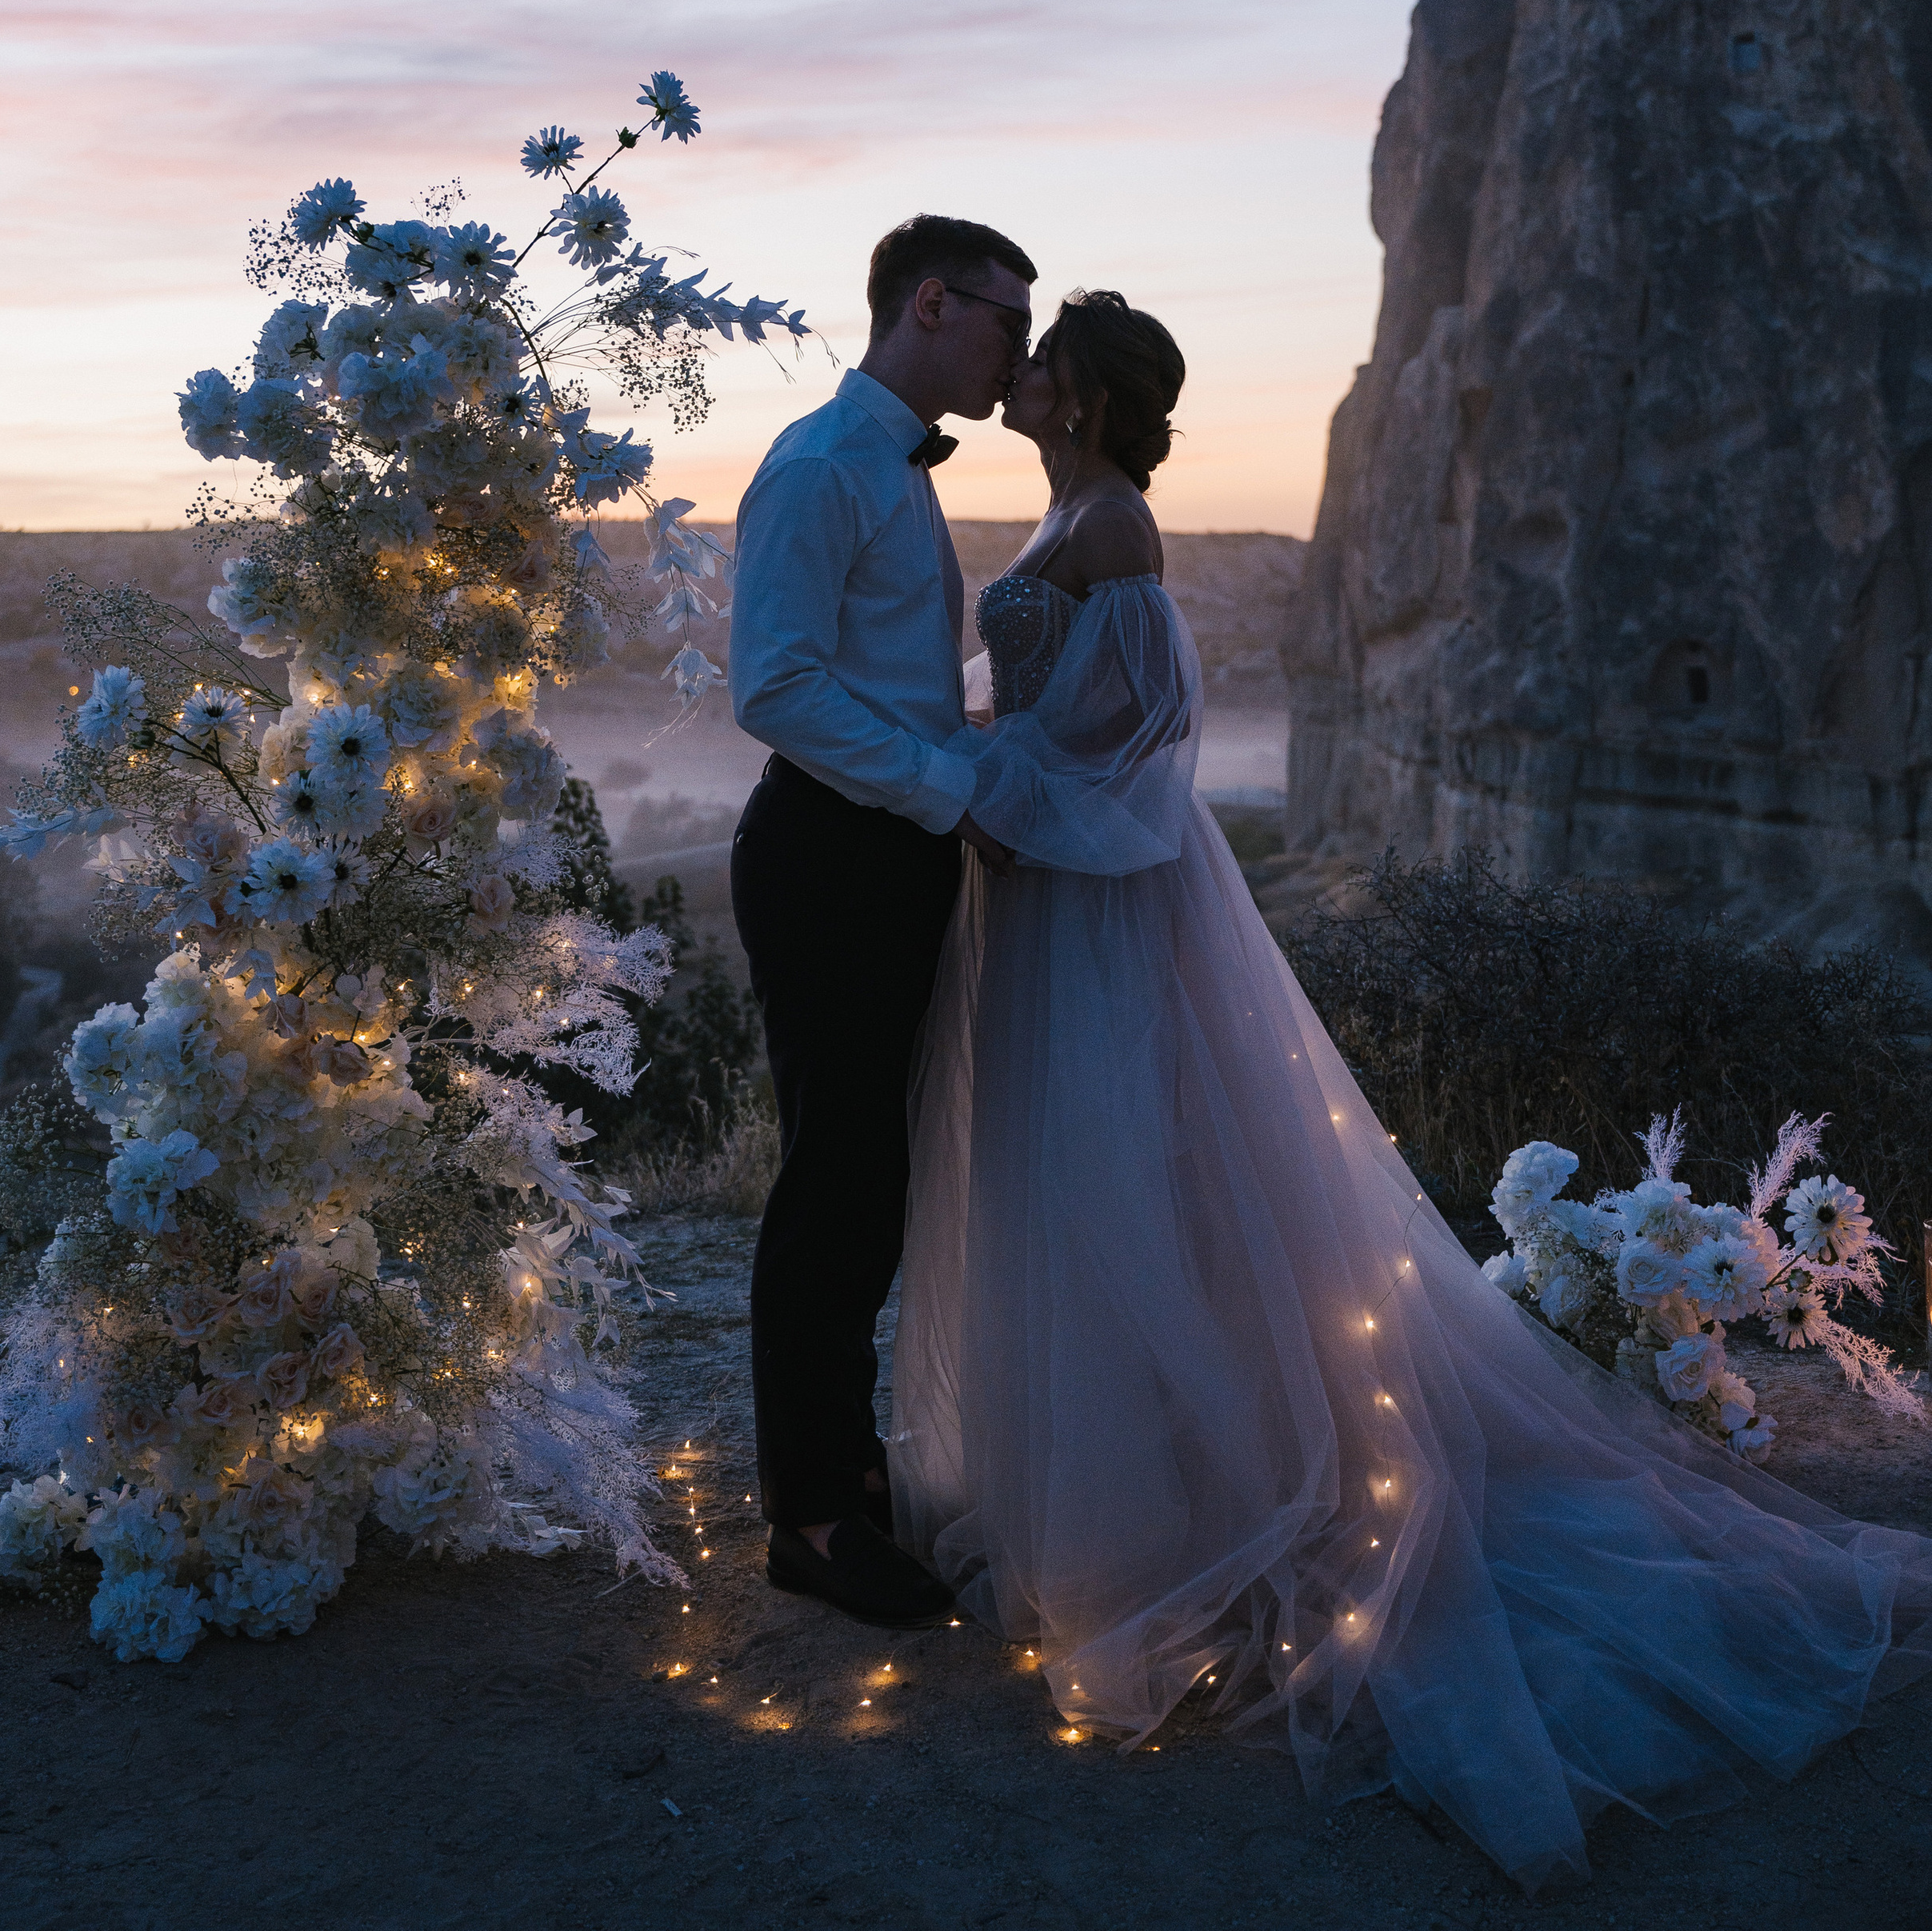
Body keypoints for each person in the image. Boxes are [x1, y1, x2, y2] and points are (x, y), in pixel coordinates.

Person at [891, 286, 1932, 1891]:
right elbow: (1061, 719)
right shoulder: (1065, 518)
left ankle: (1177, 1509)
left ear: (1085, 397)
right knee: (1064, 1185)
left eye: (1040, 359)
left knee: (1118, 1180)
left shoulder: (1113, 532)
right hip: (1040, 907)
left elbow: (1146, 745)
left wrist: (974, 787)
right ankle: (1109, 1484)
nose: (1015, 373)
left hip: (1094, 911)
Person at [728, 211, 1035, 1625]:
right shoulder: (823, 465)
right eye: (1002, 324)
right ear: (929, 304)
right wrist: (939, 787)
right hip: (830, 856)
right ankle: (804, 1517)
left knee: (873, 1179)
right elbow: (775, 688)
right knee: (834, 1181)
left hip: (890, 846)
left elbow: (889, 676)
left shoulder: (889, 465)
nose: (1014, 354)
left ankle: (844, 1476)